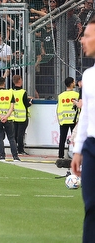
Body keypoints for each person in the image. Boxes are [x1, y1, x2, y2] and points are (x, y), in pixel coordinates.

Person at [71, 22, 95, 242]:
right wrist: (78, 150)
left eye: (87, 35)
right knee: (91, 205)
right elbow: (86, 115)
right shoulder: (88, 76)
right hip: (91, 147)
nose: (82, 40)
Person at [0, 78, 19, 161]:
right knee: (11, 138)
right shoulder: (10, 92)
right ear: (4, 83)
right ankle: (15, 156)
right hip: (9, 118)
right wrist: (6, 116)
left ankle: (2, 156)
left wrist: (0, 116)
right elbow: (12, 106)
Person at [10, 74, 32, 156]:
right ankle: (20, 150)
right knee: (21, 134)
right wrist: (30, 102)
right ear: (19, 81)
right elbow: (26, 104)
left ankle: (14, 149)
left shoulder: (10, 91)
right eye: (21, 80)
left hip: (13, 115)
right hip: (22, 116)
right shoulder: (23, 92)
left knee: (14, 134)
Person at [59, 77, 80, 160]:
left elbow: (59, 109)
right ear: (71, 84)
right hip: (74, 120)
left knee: (62, 139)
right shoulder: (77, 95)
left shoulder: (60, 96)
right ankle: (76, 157)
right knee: (75, 139)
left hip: (64, 120)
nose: (75, 83)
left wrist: (60, 120)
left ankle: (60, 156)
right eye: (74, 82)